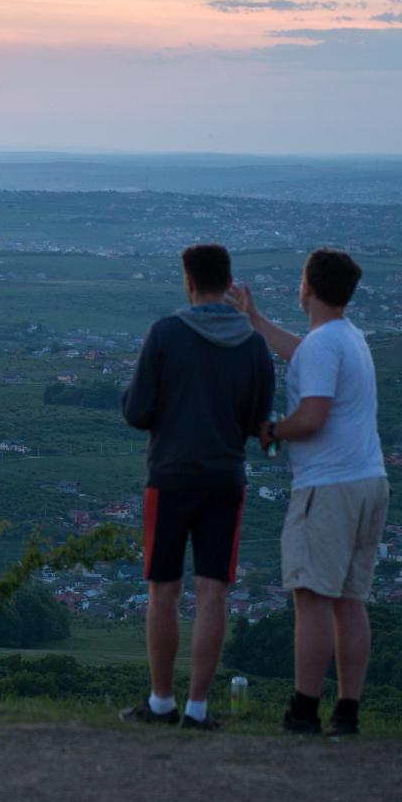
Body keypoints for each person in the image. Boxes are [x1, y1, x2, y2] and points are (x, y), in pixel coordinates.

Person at [228, 248, 388, 736]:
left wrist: (274, 430)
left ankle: (302, 711)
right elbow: (303, 354)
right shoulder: (348, 338)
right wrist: (256, 320)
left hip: (328, 487)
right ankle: (347, 711)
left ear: (307, 288)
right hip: (369, 481)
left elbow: (313, 416)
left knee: (313, 598)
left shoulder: (324, 345)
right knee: (350, 600)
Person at [118, 243, 275, 731]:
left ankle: (161, 702)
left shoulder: (165, 335)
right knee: (213, 593)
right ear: (229, 284)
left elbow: (136, 412)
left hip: (169, 478)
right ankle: (198, 709)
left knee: (163, 591)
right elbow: (258, 422)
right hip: (225, 481)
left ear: (188, 282)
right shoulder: (253, 346)